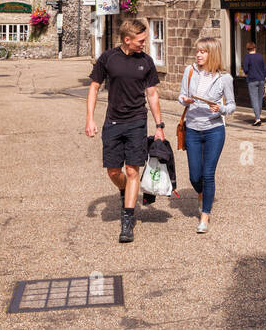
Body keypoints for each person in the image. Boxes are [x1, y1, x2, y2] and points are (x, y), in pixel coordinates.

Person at [85, 18, 165, 243]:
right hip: (113, 122)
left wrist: (159, 125)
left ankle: (127, 221)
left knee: (132, 171)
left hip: (137, 122)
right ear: (127, 40)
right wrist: (90, 119)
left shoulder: (146, 61)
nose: (144, 44)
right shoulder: (108, 58)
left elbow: (152, 94)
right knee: (113, 171)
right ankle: (127, 189)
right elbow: (94, 87)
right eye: (140, 41)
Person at [178, 36, 236, 234]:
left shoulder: (224, 78)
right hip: (192, 128)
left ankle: (205, 215)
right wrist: (185, 100)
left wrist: (220, 109)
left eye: (203, 51)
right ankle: (201, 193)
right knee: (195, 176)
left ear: (212, 54)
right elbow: (181, 95)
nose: (198, 54)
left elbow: (232, 106)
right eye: (197, 51)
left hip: (214, 130)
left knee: (208, 173)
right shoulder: (190, 71)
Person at [242, 40, 266, 126]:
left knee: (254, 100)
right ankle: (258, 116)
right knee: (259, 99)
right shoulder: (260, 56)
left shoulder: (247, 57)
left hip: (252, 80)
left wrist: (247, 73)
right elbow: (264, 69)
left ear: (247, 49)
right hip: (261, 80)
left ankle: (257, 119)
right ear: (254, 48)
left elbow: (245, 69)